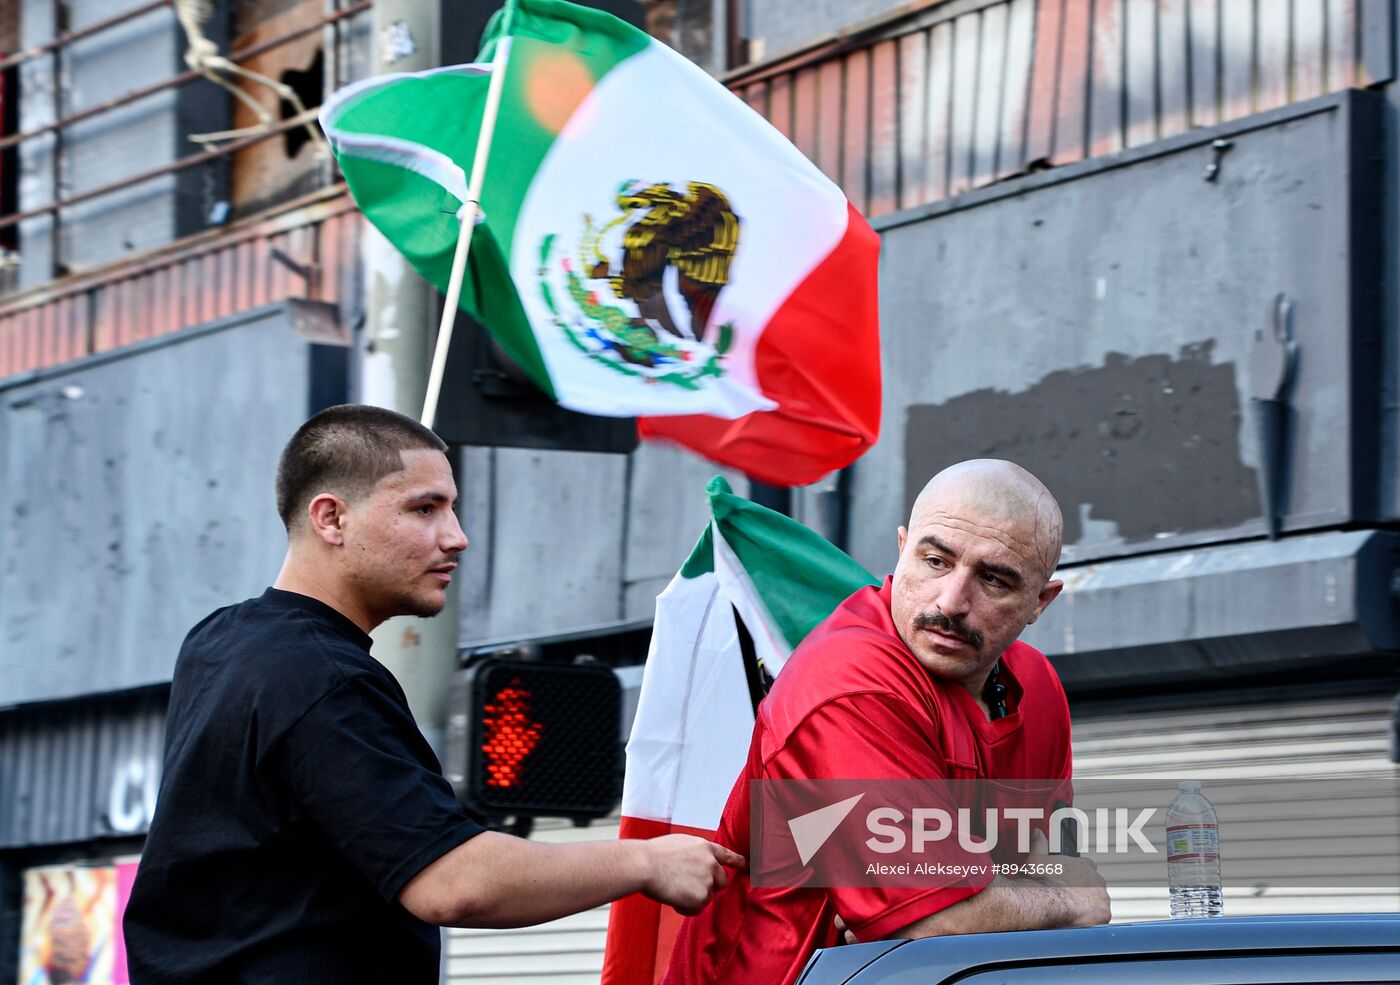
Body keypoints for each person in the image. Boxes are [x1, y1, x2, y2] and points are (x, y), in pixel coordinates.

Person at [123, 404, 743, 984]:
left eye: (452, 509)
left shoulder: (219, 640)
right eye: (425, 509)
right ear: (331, 518)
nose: (457, 537)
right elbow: (454, 882)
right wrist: (648, 862)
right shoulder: (322, 676)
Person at [662, 460, 1110, 985]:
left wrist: (1003, 899)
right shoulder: (848, 683)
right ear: (902, 549)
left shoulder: (1037, 684)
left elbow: (1051, 859)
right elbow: (935, 921)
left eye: (993, 579)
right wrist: (1068, 901)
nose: (951, 602)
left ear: (1041, 601)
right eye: (936, 561)